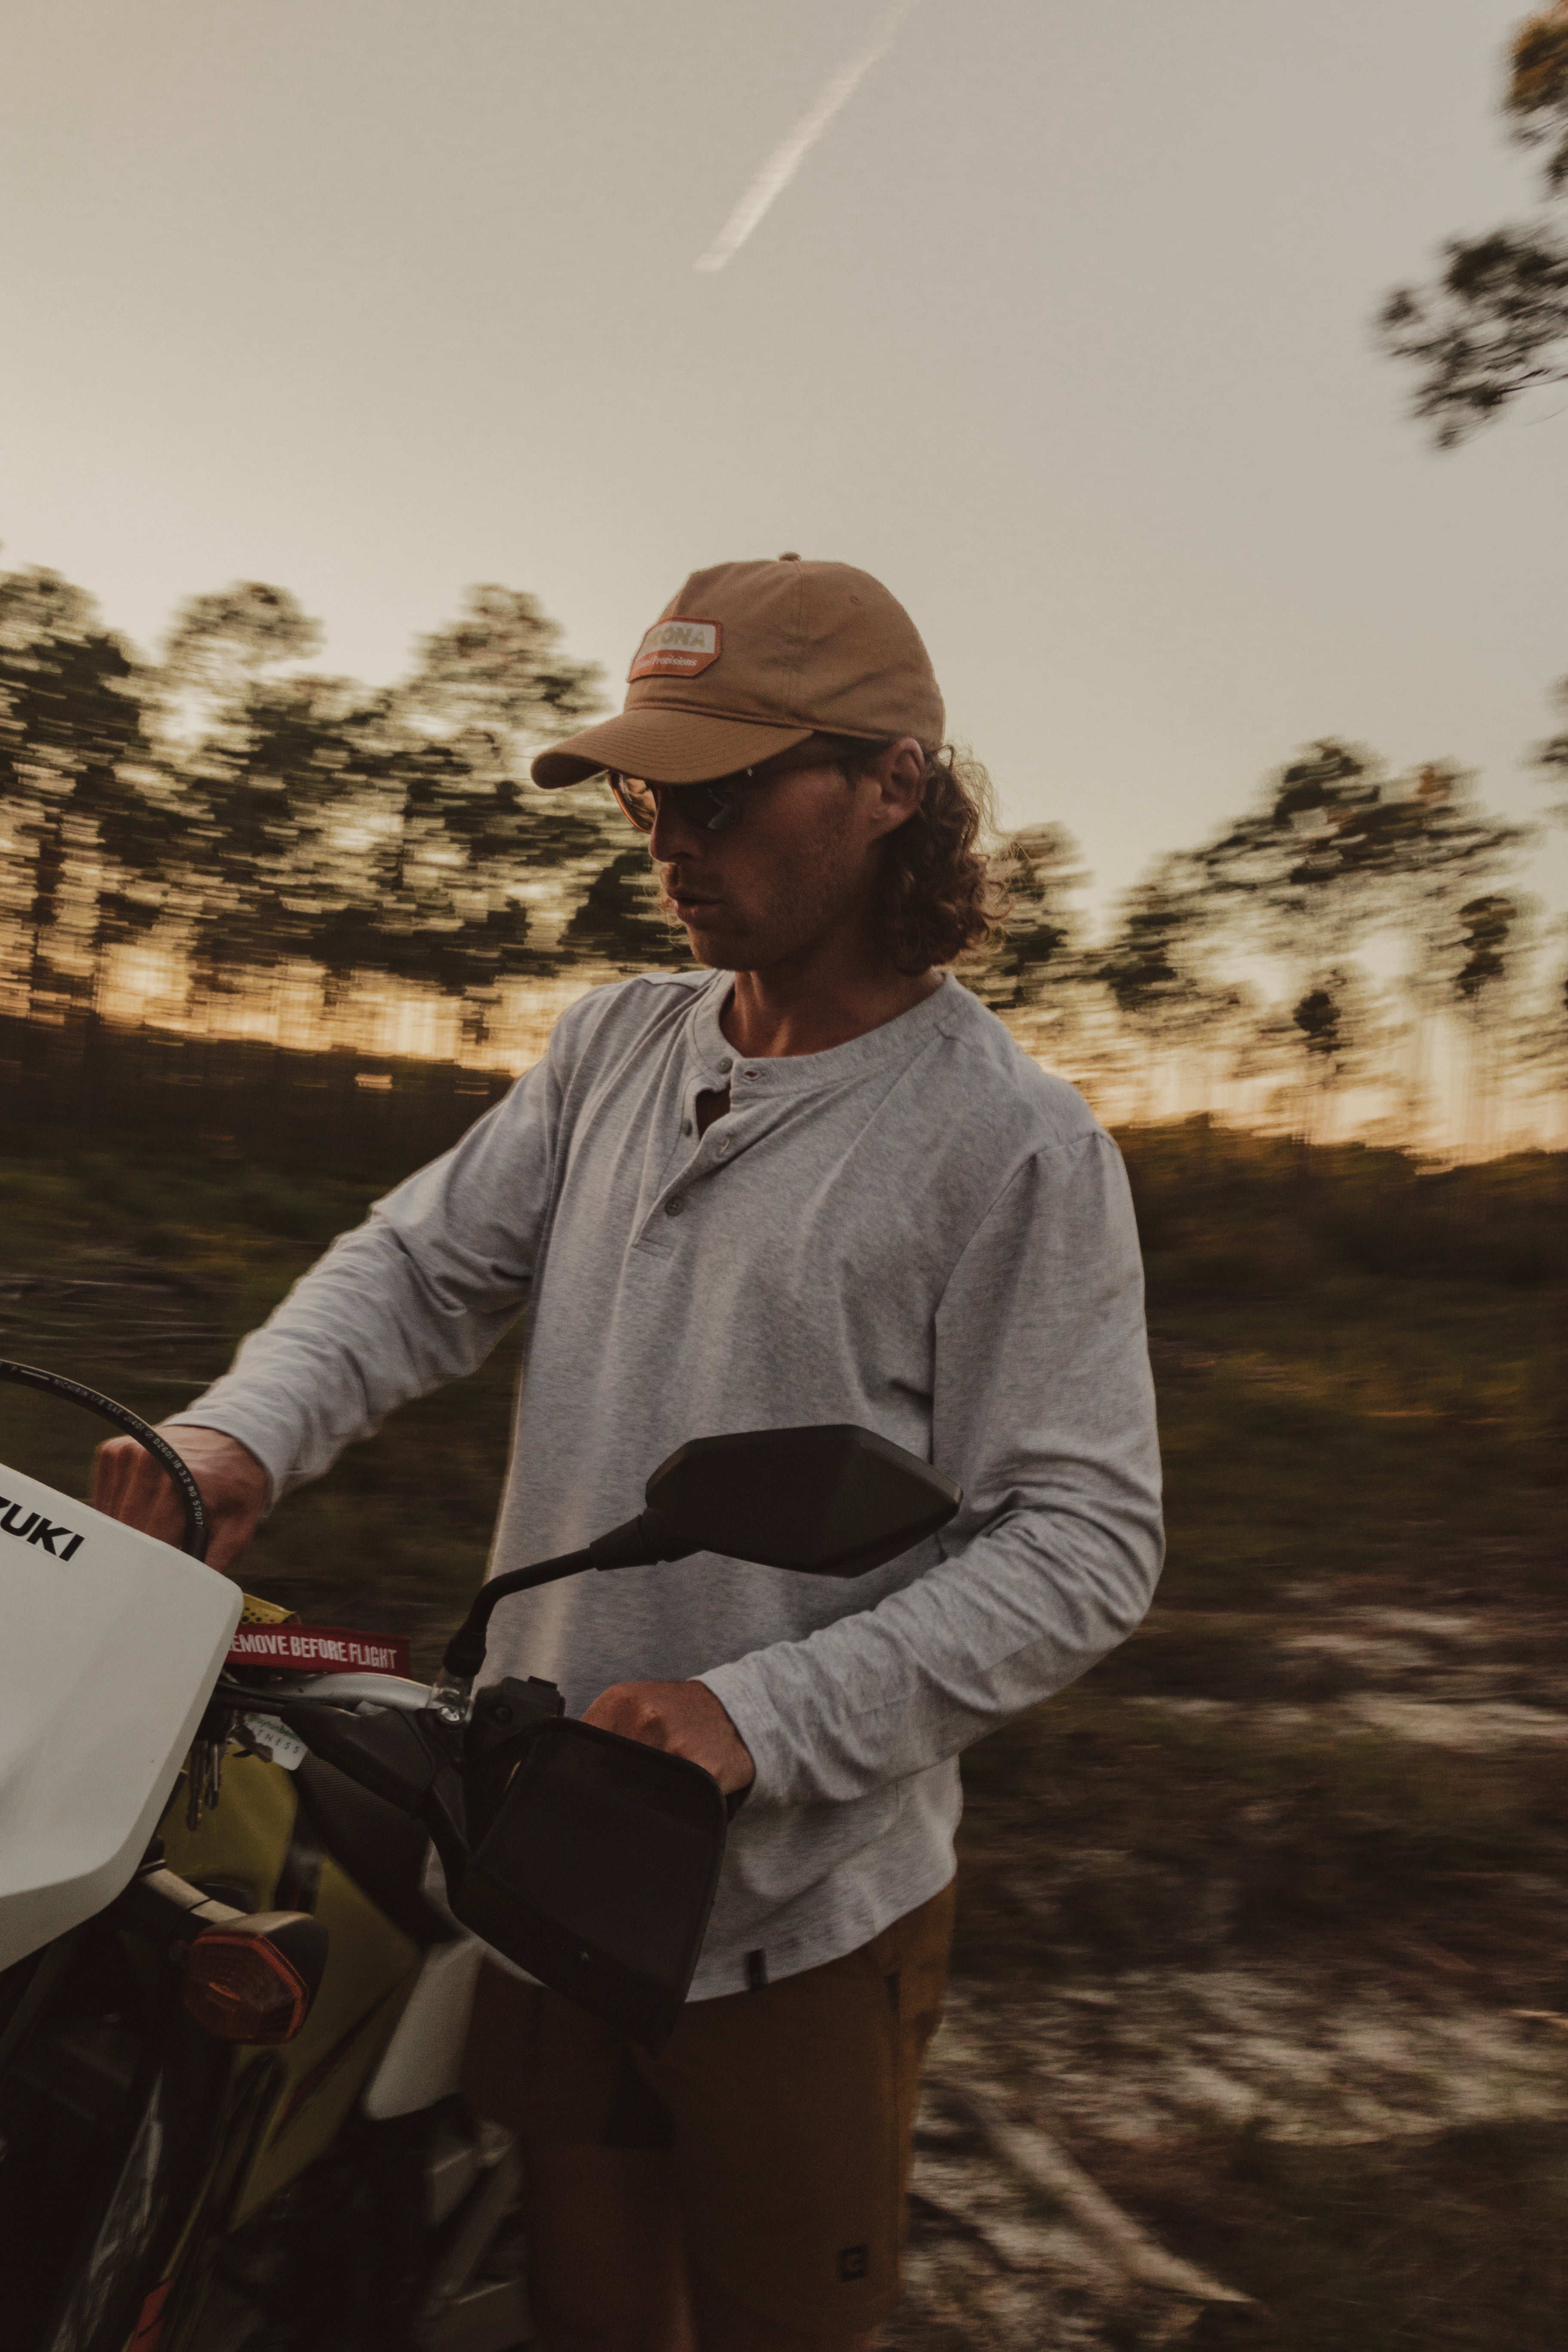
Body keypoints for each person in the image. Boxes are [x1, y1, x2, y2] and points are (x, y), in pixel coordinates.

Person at [92, 555, 1164, 2352]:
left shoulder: (1009, 1149)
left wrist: (769, 1718)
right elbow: (427, 1266)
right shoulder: (614, 1044)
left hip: (799, 1911)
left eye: (725, 791)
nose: (669, 833)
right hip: (548, 1850)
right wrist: (238, 1438)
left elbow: (1084, 1540)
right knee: (590, 2310)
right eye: (652, 793)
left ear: (894, 782)